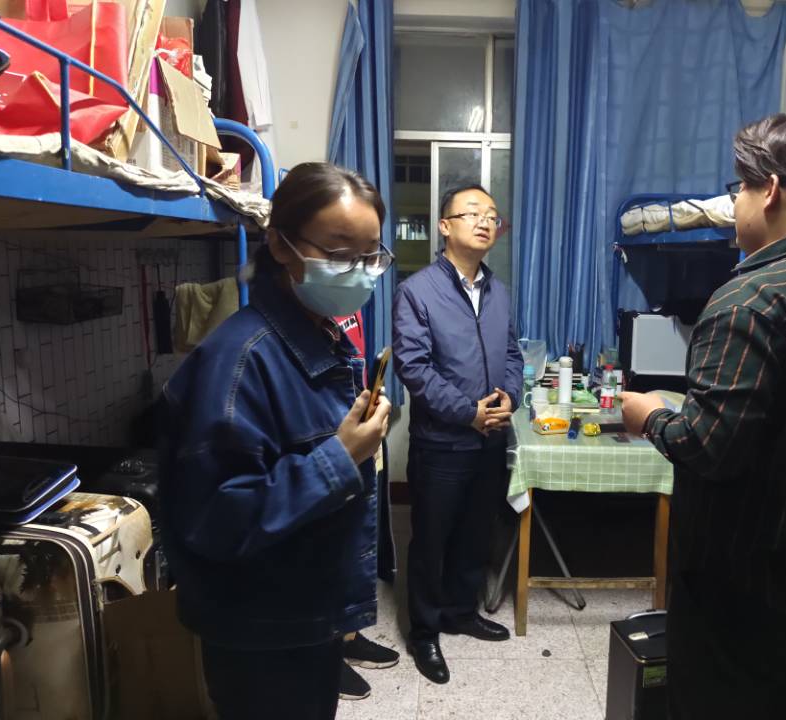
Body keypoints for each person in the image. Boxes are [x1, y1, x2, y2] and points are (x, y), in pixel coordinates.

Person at [618, 111, 786, 720]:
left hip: (742, 589)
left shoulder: (750, 299)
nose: (734, 201)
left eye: (739, 186)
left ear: (769, 190)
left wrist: (650, 415)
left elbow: (708, 448)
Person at [159, 163, 394, 720]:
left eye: (370, 256)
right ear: (281, 245)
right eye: (339, 252)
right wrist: (341, 457)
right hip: (259, 627)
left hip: (305, 610)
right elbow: (218, 519)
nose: (359, 272)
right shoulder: (239, 361)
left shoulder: (317, 335)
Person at [392, 183, 524, 684]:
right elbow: (414, 368)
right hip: (443, 443)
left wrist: (511, 397)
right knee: (431, 539)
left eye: (492, 214)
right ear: (445, 226)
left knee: (476, 532)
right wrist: (468, 412)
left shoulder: (498, 291)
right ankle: (424, 631)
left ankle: (460, 612)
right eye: (472, 213)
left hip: (490, 439)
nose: (485, 221)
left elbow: (511, 354)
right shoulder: (417, 291)